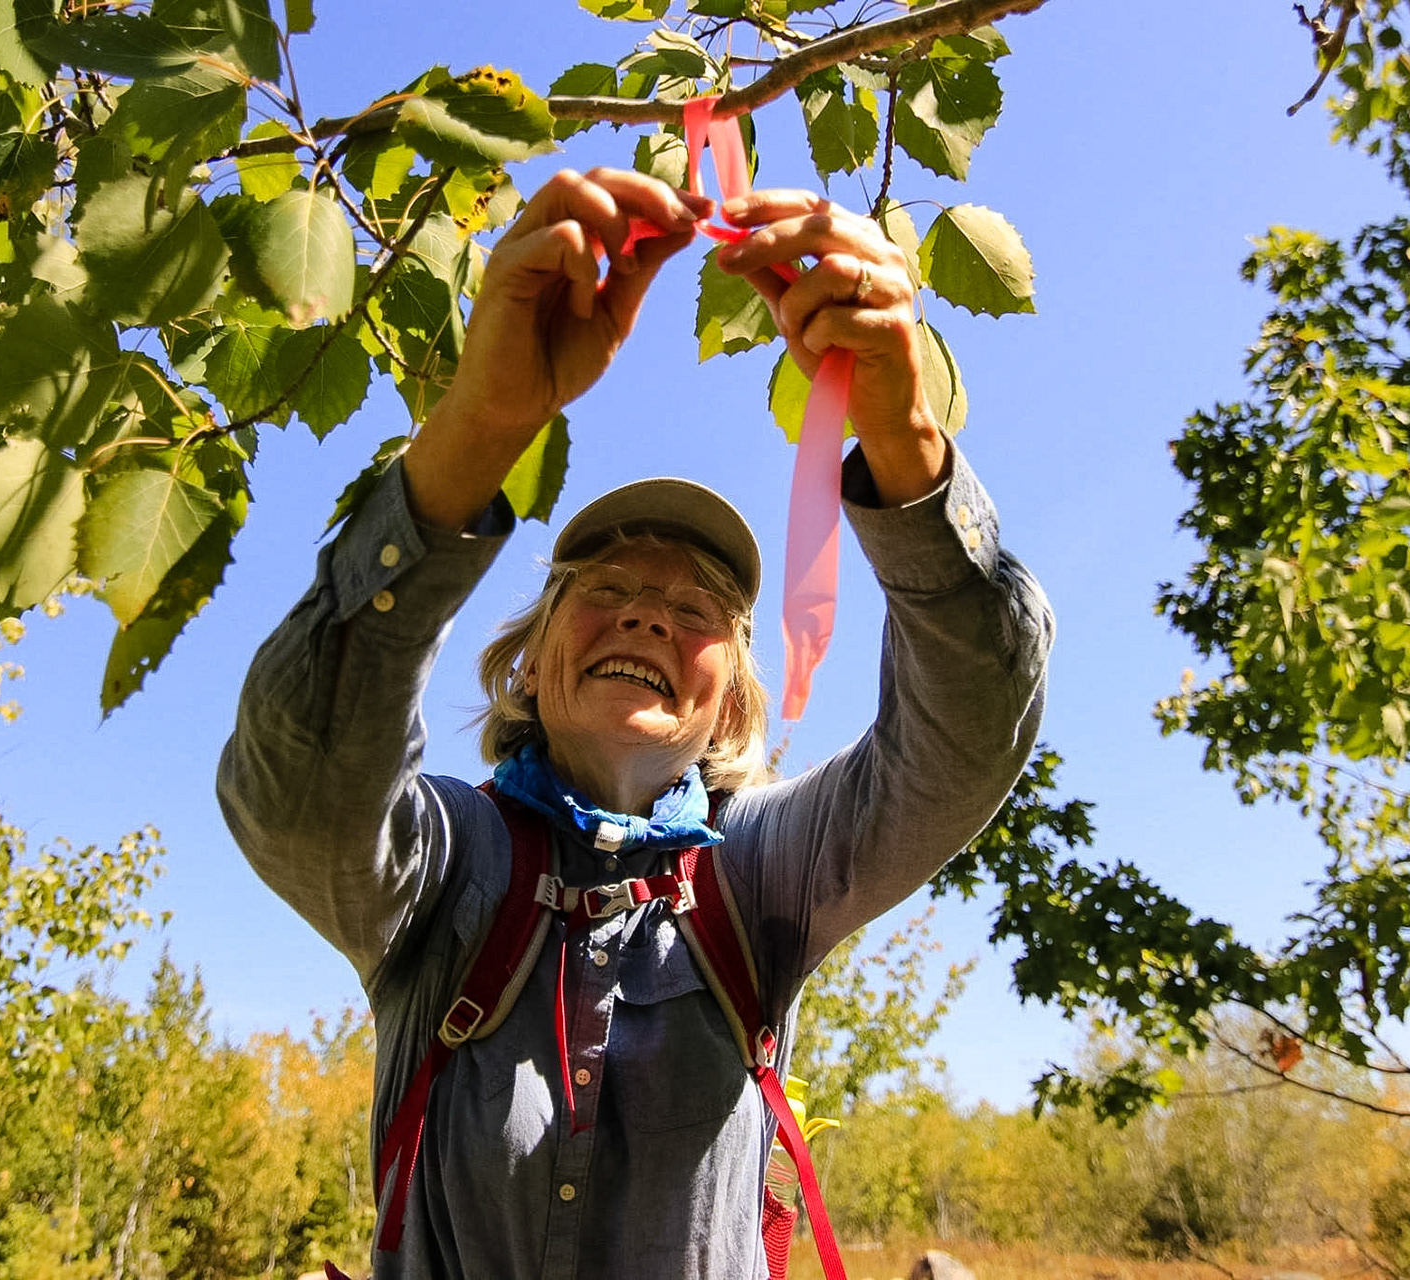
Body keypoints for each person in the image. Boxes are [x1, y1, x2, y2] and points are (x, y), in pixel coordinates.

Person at [217, 168, 1052, 1279]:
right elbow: (299, 791)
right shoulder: (445, 861)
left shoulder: (757, 876)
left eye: (699, 609)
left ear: (732, 700)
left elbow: (966, 738)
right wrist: (482, 424)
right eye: (604, 589)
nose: (651, 611)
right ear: (528, 655)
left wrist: (900, 424)